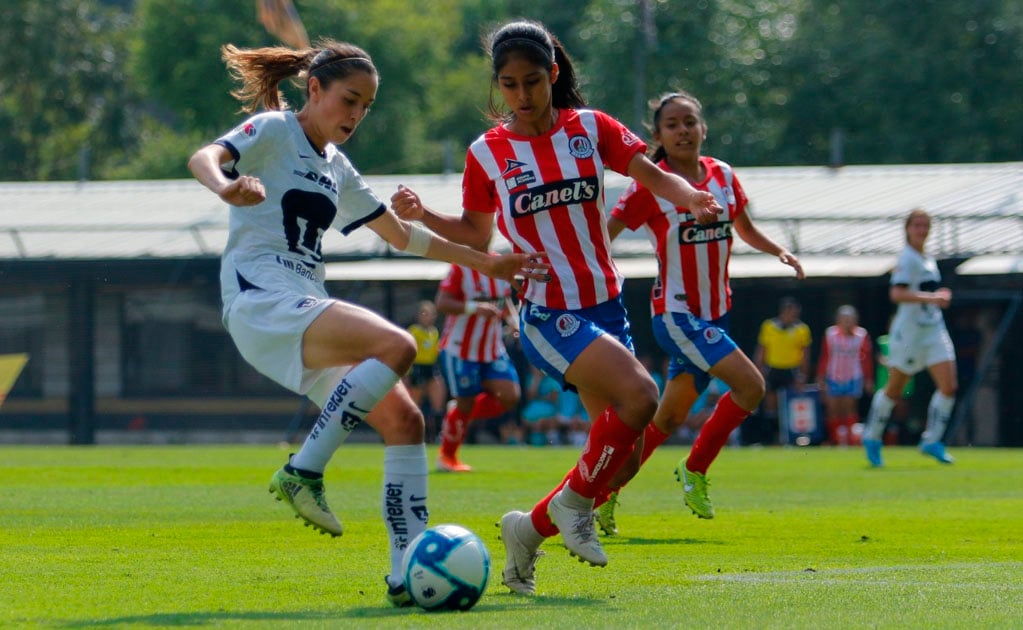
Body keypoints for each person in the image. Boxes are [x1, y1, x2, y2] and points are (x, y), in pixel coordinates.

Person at [187, 39, 547, 607]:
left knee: (406, 423)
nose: (355, 115)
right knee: (397, 343)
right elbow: (204, 157)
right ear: (315, 89)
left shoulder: (338, 168)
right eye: (349, 100)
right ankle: (304, 469)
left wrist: (489, 262)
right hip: (262, 301)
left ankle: (405, 575)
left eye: (366, 107)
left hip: (301, 308)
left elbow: (403, 237)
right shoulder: (276, 130)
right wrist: (226, 185)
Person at [391, 21, 722, 594]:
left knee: (619, 465)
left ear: (555, 74)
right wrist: (422, 215)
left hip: (607, 305)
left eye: (533, 81)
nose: (522, 95)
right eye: (510, 84)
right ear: (499, 86)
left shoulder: (591, 129)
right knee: (642, 395)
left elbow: (650, 174)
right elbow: (474, 232)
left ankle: (528, 530)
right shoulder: (487, 152)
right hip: (547, 313)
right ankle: (573, 507)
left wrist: (691, 196)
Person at [593, 90, 804, 537]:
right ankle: (695, 470)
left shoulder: (723, 175)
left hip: (717, 314)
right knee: (751, 385)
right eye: (672, 124)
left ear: (703, 128)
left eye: (690, 121)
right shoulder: (651, 184)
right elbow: (603, 234)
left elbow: (744, 227)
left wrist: (779, 249)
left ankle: (602, 495)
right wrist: (580, 275)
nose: (683, 130)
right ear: (658, 136)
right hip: (675, 315)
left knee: (665, 420)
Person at [863, 208, 957, 466]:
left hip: (933, 329)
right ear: (908, 229)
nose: (922, 230)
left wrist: (937, 296)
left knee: (949, 386)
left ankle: (932, 440)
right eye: (917, 225)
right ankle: (872, 437)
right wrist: (934, 298)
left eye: (925, 225)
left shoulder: (928, 258)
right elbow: (897, 294)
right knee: (894, 390)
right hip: (910, 333)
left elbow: (925, 291)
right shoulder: (907, 258)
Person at [434, 249, 521, 471]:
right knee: (466, 402)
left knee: (510, 396)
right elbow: (442, 302)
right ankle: (447, 457)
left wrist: (513, 321)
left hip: (492, 348)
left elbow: (505, 299)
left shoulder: (500, 262)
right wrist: (474, 307)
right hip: (461, 348)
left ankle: (458, 413)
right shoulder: (460, 265)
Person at [751, 297, 812, 444]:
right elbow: (762, 350)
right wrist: (757, 371)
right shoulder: (769, 326)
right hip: (773, 369)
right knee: (770, 405)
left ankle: (792, 439)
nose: (794, 316)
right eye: (791, 312)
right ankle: (772, 438)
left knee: (792, 404)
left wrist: (803, 376)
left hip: (792, 370)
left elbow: (805, 355)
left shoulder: (802, 329)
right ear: (783, 311)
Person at [816, 305, 874, 445]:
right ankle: (835, 439)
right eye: (844, 319)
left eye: (850, 319)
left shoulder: (861, 335)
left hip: (853, 377)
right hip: (833, 377)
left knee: (849, 409)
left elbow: (866, 359)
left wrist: (868, 379)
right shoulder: (830, 334)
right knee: (833, 409)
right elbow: (825, 356)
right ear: (838, 320)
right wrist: (821, 377)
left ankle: (850, 439)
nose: (847, 322)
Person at [405, 301, 446, 438]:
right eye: (425, 314)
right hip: (417, 367)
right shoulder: (414, 331)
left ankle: (438, 433)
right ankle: (415, 433)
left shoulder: (434, 332)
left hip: (431, 367)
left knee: (438, 399)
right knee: (416, 402)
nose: (428, 317)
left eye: (431, 314)